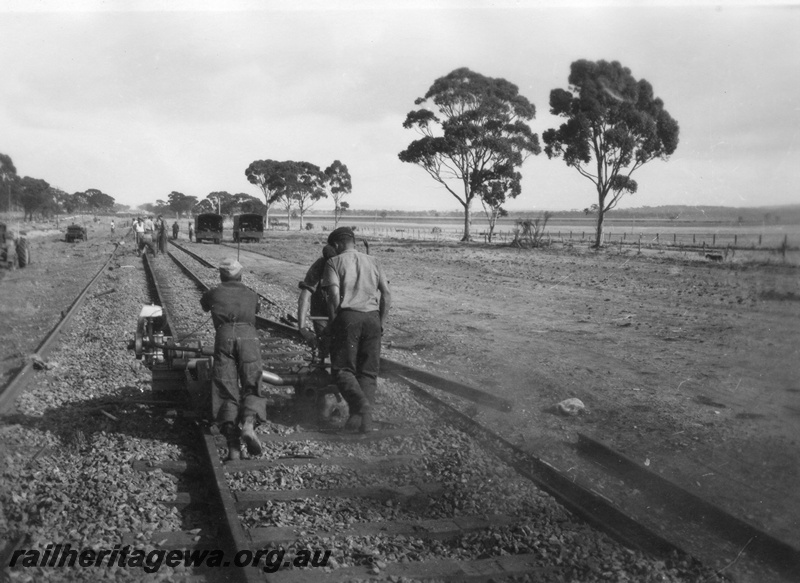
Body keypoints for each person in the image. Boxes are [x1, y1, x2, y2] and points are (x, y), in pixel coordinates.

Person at [322, 227, 391, 433]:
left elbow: (334, 297)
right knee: (368, 372)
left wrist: (334, 325)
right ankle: (364, 421)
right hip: (372, 318)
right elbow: (386, 295)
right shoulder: (374, 261)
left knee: (343, 369)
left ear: (335, 245)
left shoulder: (333, 262)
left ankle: (361, 404)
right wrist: (381, 323)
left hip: (348, 317)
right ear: (353, 242)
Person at [200, 258, 267, 461]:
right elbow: (257, 310)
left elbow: (204, 305)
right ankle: (248, 423)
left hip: (224, 336)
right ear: (241, 275)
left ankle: (233, 450)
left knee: (225, 387)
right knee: (252, 382)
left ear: (221, 275)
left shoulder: (214, 292)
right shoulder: (251, 294)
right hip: (249, 336)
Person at [297, 244, 337, 366]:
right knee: (323, 342)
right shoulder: (319, 266)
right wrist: (302, 328)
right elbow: (304, 297)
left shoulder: (344, 264)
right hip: (320, 309)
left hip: (339, 309)